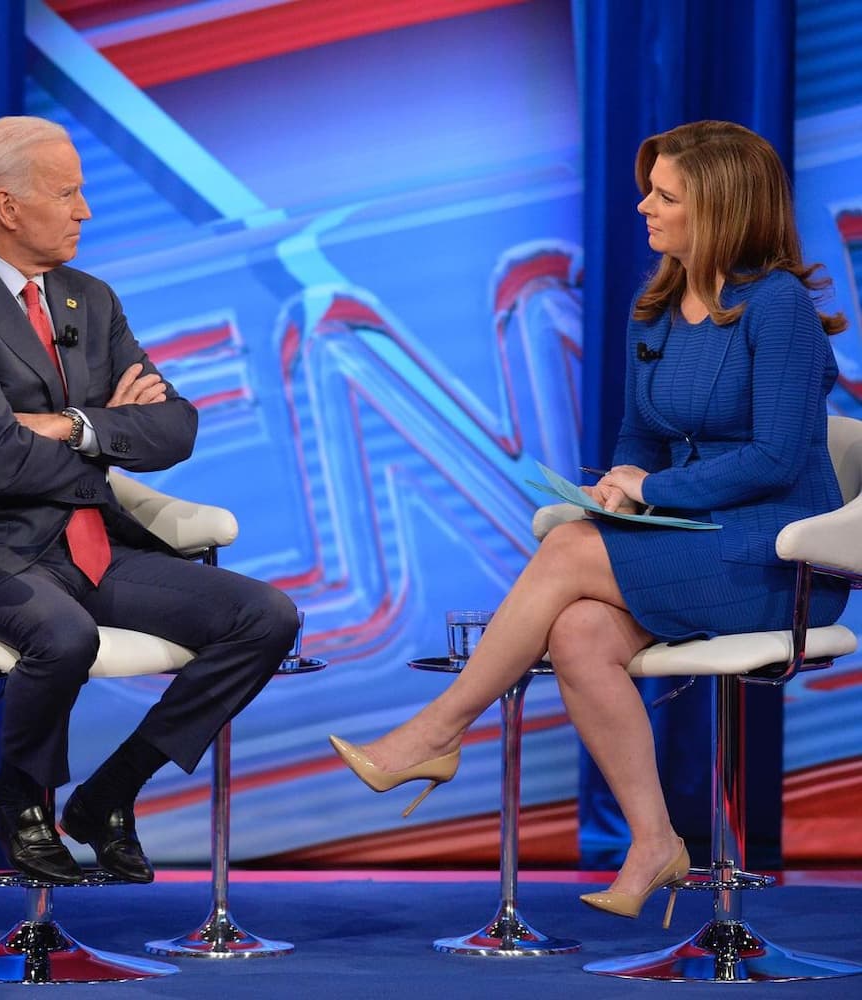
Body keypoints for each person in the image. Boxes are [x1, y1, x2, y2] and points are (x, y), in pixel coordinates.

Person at [329, 120, 850, 926]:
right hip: (696, 543)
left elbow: (777, 459)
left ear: (719, 209)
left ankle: (437, 731)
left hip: (779, 560)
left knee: (571, 552)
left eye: (665, 194)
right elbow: (639, 440)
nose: (643, 204)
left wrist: (654, 490)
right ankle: (654, 840)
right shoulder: (657, 308)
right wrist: (614, 486)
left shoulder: (775, 306)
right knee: (576, 632)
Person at [0, 116, 301, 886]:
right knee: (64, 635)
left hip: (90, 546)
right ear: (9, 207)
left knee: (265, 617)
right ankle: (18, 798)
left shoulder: (90, 299)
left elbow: (175, 427)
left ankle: (110, 795)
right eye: (69, 193)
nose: (86, 210)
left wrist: (73, 425)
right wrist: (109, 434)